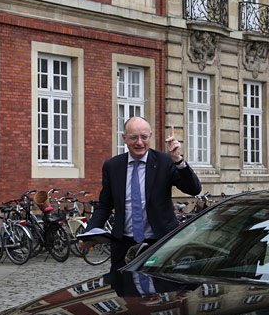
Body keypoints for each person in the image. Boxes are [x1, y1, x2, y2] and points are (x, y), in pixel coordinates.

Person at [82, 116, 202, 272]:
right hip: (123, 245)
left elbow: (194, 189)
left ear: (150, 136)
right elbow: (105, 205)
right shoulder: (113, 166)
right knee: (122, 285)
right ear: (124, 138)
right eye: (133, 137)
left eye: (144, 137)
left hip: (159, 244)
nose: (139, 142)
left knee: (159, 286)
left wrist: (178, 160)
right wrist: (90, 233)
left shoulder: (164, 161)